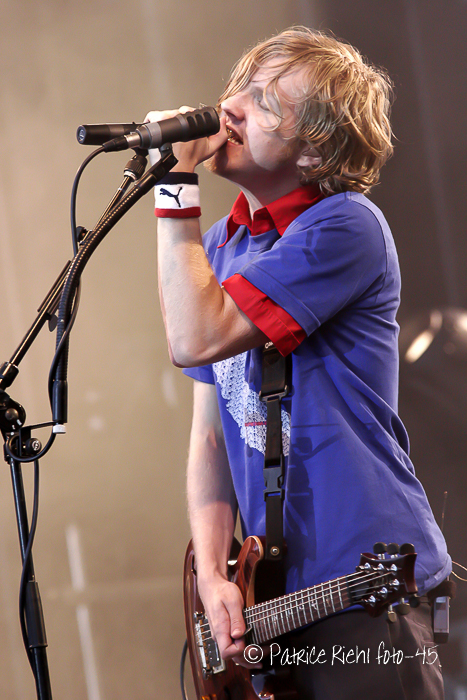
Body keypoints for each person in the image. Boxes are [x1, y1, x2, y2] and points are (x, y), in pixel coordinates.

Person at [147, 26, 451, 699]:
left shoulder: (345, 225)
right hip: (276, 595)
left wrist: (174, 184)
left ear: (313, 150)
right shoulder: (219, 244)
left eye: (261, 102)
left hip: (365, 586)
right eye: (236, 89)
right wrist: (213, 576)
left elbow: (195, 339)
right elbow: (209, 434)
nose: (228, 108)